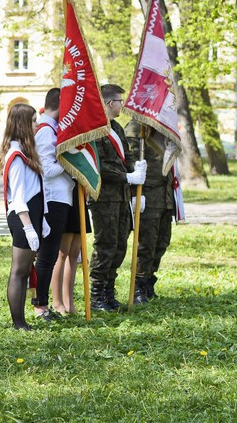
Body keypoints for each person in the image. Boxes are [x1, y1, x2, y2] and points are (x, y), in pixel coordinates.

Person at [88, 84, 146, 311]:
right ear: (110, 103)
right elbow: (97, 167)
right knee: (105, 245)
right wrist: (126, 177)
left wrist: (135, 172)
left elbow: (127, 157)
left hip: (121, 197)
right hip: (104, 197)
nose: (123, 105)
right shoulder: (94, 130)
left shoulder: (116, 129)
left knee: (120, 244)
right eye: (120, 101)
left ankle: (109, 292)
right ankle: (96, 296)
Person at [0, 103, 48, 331]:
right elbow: (18, 198)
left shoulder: (26, 153)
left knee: (23, 269)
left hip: (32, 216)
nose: (37, 125)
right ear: (23, 125)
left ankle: (21, 321)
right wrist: (29, 228)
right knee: (19, 271)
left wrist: (43, 220)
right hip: (22, 217)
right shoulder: (17, 157)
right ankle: (18, 322)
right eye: (33, 121)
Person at [32, 89, 73, 322]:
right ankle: (40, 306)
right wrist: (69, 162)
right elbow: (46, 171)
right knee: (47, 256)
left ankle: (43, 303)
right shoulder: (46, 132)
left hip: (61, 197)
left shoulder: (53, 129)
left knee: (51, 254)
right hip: (52, 199)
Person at [126, 119, 175, 304]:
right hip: (148, 193)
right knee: (146, 243)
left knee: (162, 241)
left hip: (165, 194)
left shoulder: (165, 126)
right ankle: (138, 284)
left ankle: (149, 281)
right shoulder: (136, 128)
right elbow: (130, 159)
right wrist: (135, 191)